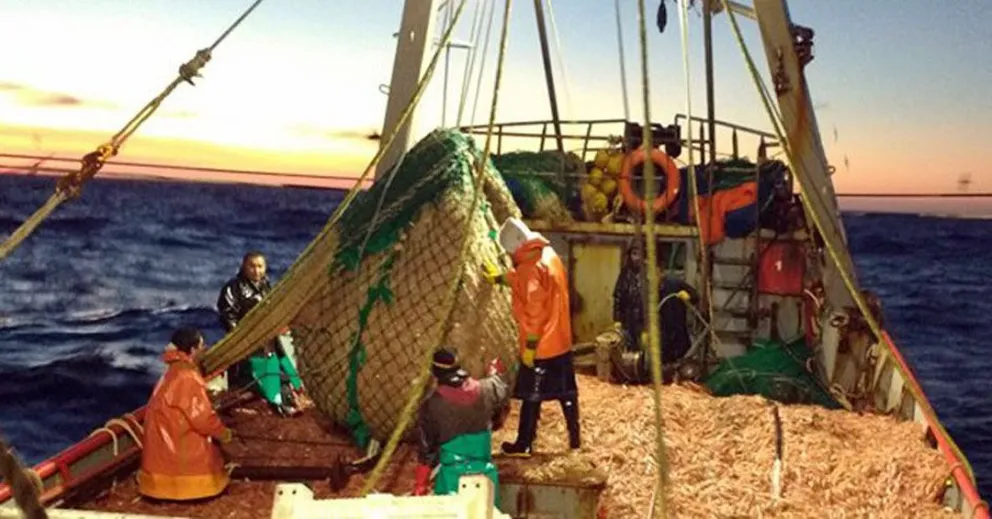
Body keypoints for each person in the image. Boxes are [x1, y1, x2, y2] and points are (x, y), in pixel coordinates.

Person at [483, 217, 580, 458]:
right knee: (566, 391)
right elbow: (530, 283)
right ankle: (575, 438)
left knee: (531, 396)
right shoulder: (548, 255)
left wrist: (530, 347)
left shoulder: (529, 268)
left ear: (516, 248)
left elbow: (534, 311)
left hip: (542, 345)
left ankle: (524, 443)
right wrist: (501, 278)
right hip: (561, 338)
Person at [138, 327, 233, 501]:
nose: (204, 350)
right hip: (181, 453)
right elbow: (202, 418)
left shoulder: (170, 372)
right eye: (201, 346)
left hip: (157, 459)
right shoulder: (187, 376)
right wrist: (223, 433)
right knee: (208, 446)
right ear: (192, 350)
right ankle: (192, 489)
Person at [414, 348, 510, 503]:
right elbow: (500, 386)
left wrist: (420, 485)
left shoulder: (432, 404)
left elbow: (427, 451)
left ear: (435, 373)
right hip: (486, 477)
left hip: (452, 479)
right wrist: (494, 371)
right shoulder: (487, 388)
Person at [217, 251, 304, 416]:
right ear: (244, 266)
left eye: (260, 266)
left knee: (283, 367)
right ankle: (274, 401)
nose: (256, 271)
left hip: (268, 339)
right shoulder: (233, 288)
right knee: (256, 371)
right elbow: (227, 315)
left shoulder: (267, 286)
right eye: (252, 266)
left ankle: (288, 398)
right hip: (245, 343)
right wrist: (242, 338)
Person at [612, 239, 647, 351]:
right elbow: (618, 297)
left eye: (639, 254)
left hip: (644, 323)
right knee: (627, 351)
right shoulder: (625, 274)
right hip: (628, 321)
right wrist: (617, 320)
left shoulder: (649, 273)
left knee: (645, 353)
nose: (636, 258)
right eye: (634, 254)